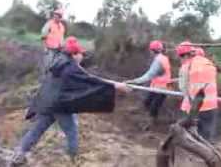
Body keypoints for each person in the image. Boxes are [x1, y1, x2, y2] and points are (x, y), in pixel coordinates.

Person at [9, 36, 130, 166]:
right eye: (80, 54)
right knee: (71, 131)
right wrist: (116, 86)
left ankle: (18, 154)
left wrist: (114, 84)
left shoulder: (59, 62)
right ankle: (73, 159)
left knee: (37, 129)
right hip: (60, 105)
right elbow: (91, 81)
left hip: (48, 103)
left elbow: (89, 77)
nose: (82, 56)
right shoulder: (71, 68)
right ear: (74, 55)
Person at [175, 41, 218, 142]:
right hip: (211, 105)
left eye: (180, 57)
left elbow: (183, 89)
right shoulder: (207, 62)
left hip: (195, 106)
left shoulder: (186, 66)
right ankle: (209, 154)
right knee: (206, 137)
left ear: (184, 55)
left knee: (191, 137)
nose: (180, 59)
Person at [126, 40, 171, 127]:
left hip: (162, 89)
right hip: (156, 87)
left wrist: (133, 82)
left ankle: (150, 124)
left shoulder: (158, 61)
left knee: (154, 108)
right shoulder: (163, 58)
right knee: (147, 102)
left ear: (151, 51)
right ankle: (143, 117)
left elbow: (148, 76)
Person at [41, 8, 66, 73]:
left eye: (58, 16)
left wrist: (63, 46)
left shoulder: (62, 26)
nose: (55, 17)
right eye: (55, 15)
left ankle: (51, 80)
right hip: (49, 48)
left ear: (60, 17)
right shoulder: (49, 24)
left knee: (55, 66)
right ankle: (44, 79)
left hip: (58, 49)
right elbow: (43, 36)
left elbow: (61, 37)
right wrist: (45, 48)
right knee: (47, 65)